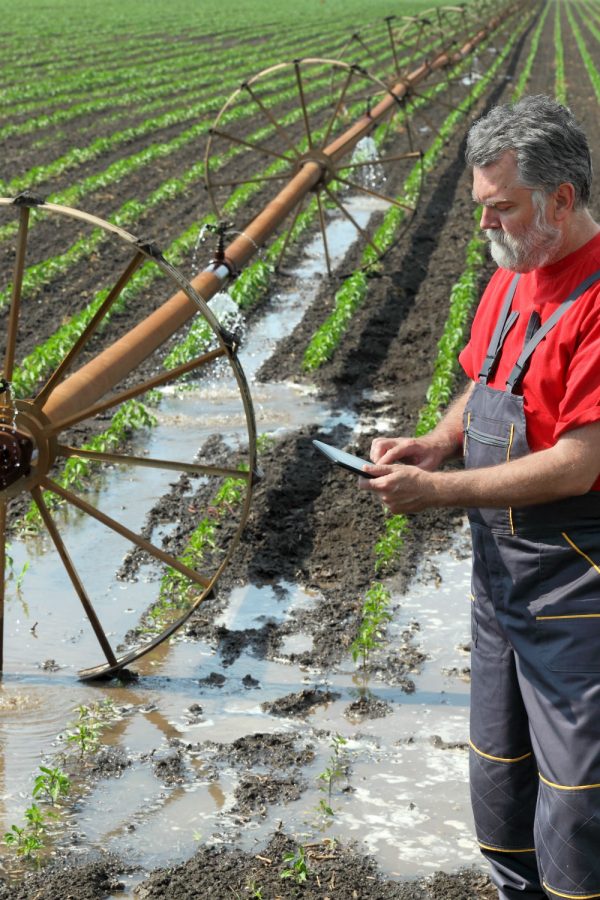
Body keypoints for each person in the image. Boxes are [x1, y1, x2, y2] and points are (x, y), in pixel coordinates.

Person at [359, 95, 600, 900]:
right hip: (501, 582)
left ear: (560, 200)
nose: (486, 226)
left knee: (578, 807)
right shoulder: (513, 277)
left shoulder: (595, 300)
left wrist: (437, 490)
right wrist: (435, 440)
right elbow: (485, 379)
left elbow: (577, 463)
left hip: (578, 586)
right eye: (481, 208)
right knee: (500, 781)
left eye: (502, 208)